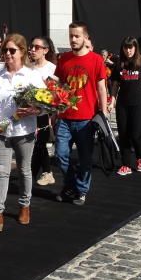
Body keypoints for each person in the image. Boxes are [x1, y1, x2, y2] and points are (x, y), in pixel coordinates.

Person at [0, 34, 45, 230]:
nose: (8, 54)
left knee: (25, 170)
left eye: (12, 50)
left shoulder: (31, 76)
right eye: (5, 51)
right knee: (1, 172)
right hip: (2, 132)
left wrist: (36, 110)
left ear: (22, 52)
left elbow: (46, 103)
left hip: (24, 131)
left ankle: (25, 206)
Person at [54, 22, 109, 206]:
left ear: (86, 37)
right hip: (64, 117)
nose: (73, 39)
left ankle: (81, 190)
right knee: (61, 155)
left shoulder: (96, 60)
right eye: (71, 36)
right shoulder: (64, 59)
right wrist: (54, 107)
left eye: (77, 36)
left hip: (86, 119)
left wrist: (104, 111)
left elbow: (102, 87)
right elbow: (59, 85)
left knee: (85, 158)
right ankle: (71, 185)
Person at [110, 37, 141, 175]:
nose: (128, 51)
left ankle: (140, 157)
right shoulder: (119, 64)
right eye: (126, 48)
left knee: (135, 135)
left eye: (131, 48)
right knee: (123, 134)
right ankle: (126, 164)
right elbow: (115, 84)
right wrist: (113, 100)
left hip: (138, 104)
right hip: (122, 104)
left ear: (135, 48)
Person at [27, 35, 58, 185]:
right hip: (27, 112)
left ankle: (39, 174)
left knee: (39, 144)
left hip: (44, 113)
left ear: (45, 50)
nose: (32, 50)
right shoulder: (27, 67)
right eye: (31, 46)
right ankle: (45, 172)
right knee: (34, 145)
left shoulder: (52, 69)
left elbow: (57, 94)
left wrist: (53, 114)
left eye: (37, 47)